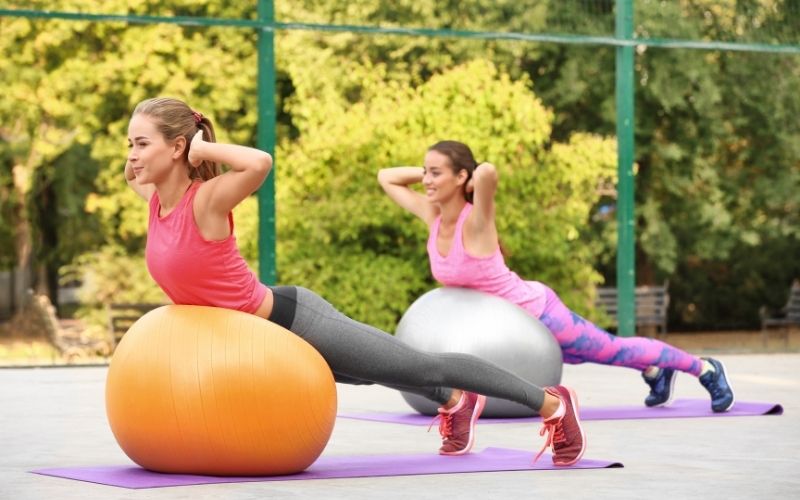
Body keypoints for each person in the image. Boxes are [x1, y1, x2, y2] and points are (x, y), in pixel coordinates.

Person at [123, 97, 585, 465]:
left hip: (291, 321)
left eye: (142, 143)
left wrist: (201, 148)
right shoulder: (155, 201)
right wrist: (141, 158)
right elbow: (136, 177)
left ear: (179, 147)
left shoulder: (206, 201)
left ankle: (552, 404)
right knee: (369, 375)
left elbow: (259, 163)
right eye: (130, 144)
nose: (133, 155)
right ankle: (454, 402)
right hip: (256, 346)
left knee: (420, 367)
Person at [377, 140, 735, 420]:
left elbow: (487, 172)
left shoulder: (478, 222)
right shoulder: (433, 216)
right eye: (424, 173)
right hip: (502, 334)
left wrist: (465, 171)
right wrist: (434, 170)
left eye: (436, 173)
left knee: (611, 349)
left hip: (536, 315)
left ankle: (704, 368)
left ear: (460, 178)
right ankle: (655, 370)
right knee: (583, 357)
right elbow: (386, 177)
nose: (425, 181)